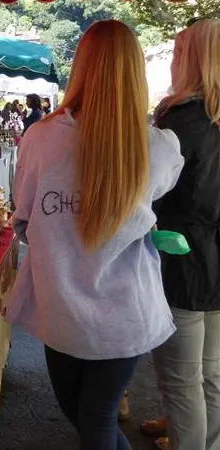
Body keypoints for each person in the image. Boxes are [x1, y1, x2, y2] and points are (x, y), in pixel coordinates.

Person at [5, 20, 184, 450]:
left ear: (80, 67)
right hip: (124, 310)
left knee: (92, 417)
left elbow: (24, 217)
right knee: (92, 417)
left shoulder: (41, 138)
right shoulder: (158, 147)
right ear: (135, 74)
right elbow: (160, 193)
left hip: (61, 305)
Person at [149, 19, 220, 450]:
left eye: (177, 53)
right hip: (213, 255)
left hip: (183, 256)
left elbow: (149, 192)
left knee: (180, 377)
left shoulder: (178, 121)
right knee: (211, 370)